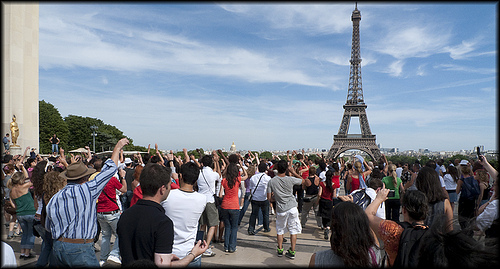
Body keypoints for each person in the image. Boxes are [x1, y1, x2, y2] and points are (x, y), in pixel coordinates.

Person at [45, 138, 129, 267]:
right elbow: (109, 169)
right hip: (79, 247)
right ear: (84, 177)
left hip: (58, 245)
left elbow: (48, 226)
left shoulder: (55, 197)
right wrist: (117, 147)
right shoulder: (87, 190)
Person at [117, 162, 208, 267]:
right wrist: (193, 254)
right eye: (170, 185)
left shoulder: (125, 215)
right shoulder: (163, 223)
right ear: (162, 189)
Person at [365, 188, 429, 266]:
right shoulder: (433, 234)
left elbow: (367, 216)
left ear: (404, 210)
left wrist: (379, 199)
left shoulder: (393, 230)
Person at [309, 202, 382, 267]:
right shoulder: (372, 254)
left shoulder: (318, 259)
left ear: (334, 228)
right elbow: (372, 236)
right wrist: (355, 215)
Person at [162, 161, 207, 267]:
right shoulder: (202, 199)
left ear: (180, 176)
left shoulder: (168, 196)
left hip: (169, 252)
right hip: (191, 252)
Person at [267, 159, 305, 259]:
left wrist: (276, 198)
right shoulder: (290, 179)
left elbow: (269, 198)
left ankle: (280, 250)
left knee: (280, 230)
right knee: (293, 230)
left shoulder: (272, 181)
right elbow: (304, 181)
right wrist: (293, 172)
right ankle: (292, 251)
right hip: (292, 207)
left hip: (281, 208)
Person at [96, 167, 127, 265]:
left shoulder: (97, 180)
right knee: (120, 234)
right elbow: (124, 189)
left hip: (100, 211)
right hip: (112, 211)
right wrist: (123, 177)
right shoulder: (112, 180)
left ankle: (103, 259)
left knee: (105, 235)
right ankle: (114, 254)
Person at [8, 164, 36, 260]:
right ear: (21, 180)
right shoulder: (24, 186)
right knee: (31, 233)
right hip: (30, 211)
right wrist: (23, 168)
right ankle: (27, 253)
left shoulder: (11, 191)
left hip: (20, 214)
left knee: (25, 233)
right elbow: (30, 179)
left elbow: (13, 205)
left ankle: (23, 252)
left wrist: (20, 207)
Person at [219, 160, 248, 252]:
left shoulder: (223, 181)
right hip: (234, 205)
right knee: (234, 227)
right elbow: (246, 176)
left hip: (225, 205)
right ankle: (232, 247)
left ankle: (226, 246)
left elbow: (220, 194)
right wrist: (242, 166)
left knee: (227, 226)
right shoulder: (237, 179)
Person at [197, 154, 221, 257]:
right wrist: (216, 162)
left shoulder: (199, 173)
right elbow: (220, 177)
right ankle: (207, 247)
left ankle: (199, 244)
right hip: (210, 200)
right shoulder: (213, 174)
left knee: (202, 225)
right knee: (212, 224)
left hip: (200, 200)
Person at [415, 166, 454, 231]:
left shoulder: (415, 200)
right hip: (438, 237)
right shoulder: (444, 202)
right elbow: (450, 228)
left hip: (419, 237)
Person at [247, 162, 271, 235]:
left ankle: (251, 228)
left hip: (255, 198)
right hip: (264, 198)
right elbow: (269, 189)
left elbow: (251, 189)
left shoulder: (253, 177)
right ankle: (266, 227)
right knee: (265, 214)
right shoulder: (268, 178)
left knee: (253, 214)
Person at [456, 164, 479, 235]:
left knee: (462, 216)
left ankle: (464, 230)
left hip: (464, 200)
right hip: (472, 200)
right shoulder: (473, 178)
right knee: (470, 216)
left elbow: (457, 191)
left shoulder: (461, 180)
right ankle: (470, 231)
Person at [318, 169, 337, 240]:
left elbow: (319, 194)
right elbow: (334, 196)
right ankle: (328, 227)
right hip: (329, 202)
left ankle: (325, 226)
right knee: (329, 216)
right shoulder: (334, 185)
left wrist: (317, 200)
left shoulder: (322, 184)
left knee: (323, 215)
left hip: (323, 201)